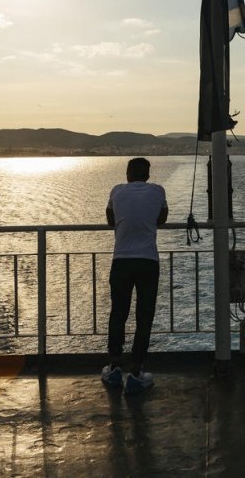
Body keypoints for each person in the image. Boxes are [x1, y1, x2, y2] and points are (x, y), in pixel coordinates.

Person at [101, 157, 168, 395]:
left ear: (127, 174)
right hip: (148, 260)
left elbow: (110, 220)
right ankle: (138, 371)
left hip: (121, 260)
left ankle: (114, 366)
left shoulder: (117, 191)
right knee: (144, 315)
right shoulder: (158, 191)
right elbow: (162, 219)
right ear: (147, 175)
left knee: (119, 312)